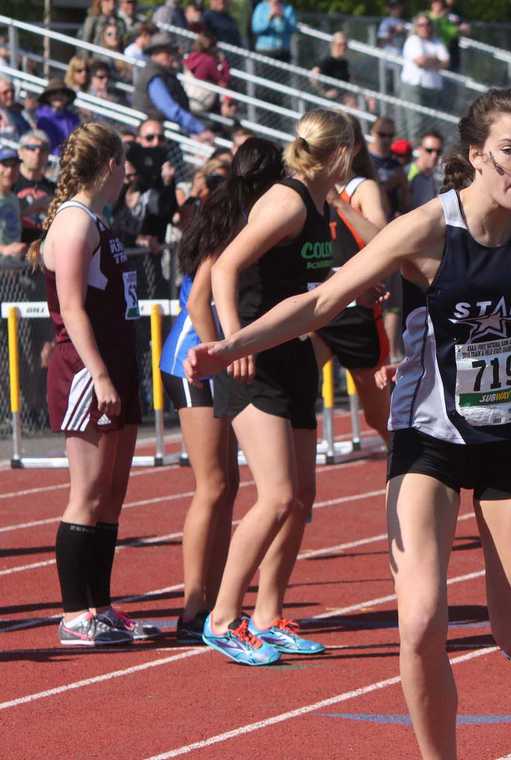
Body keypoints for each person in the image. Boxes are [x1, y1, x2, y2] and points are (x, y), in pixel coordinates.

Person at [186, 87, 511, 760]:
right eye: (510, 152)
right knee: (420, 619)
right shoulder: (425, 228)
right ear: (477, 156)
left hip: (510, 438)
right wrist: (232, 345)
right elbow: (323, 300)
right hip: (429, 439)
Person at [197, 109, 354, 666]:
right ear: (338, 154)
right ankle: (221, 619)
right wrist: (233, 342)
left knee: (301, 498)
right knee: (278, 494)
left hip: (294, 358)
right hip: (256, 362)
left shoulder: (318, 204)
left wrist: (350, 291)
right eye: (352, 150)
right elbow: (224, 269)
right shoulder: (286, 201)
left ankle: (268, 614)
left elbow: (301, 282)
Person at [27, 122, 159, 645]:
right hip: (87, 370)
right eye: (123, 163)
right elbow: (72, 309)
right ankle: (74, 613)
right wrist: (100, 373)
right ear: (109, 166)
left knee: (112, 494)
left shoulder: (95, 220)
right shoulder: (75, 223)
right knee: (86, 492)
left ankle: (100, 606)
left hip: (116, 364)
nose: (126, 173)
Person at [161, 138, 283, 642]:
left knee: (228, 485)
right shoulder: (235, 223)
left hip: (212, 356)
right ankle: (194, 605)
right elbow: (196, 302)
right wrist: (221, 352)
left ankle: (211, 599)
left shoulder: (250, 216)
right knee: (212, 485)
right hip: (194, 358)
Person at [309, 115, 392, 447]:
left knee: (378, 416)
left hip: (357, 310)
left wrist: (337, 203)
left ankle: (412, 468)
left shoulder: (362, 188)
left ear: (354, 147)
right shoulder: (309, 187)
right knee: (293, 383)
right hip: (318, 305)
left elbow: (383, 239)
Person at [133, 35, 215, 141]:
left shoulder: (162, 73)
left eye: (172, 52)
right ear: (155, 54)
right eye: (167, 52)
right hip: (157, 134)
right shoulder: (153, 75)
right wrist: (199, 129)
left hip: (167, 133)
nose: (172, 56)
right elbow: (169, 108)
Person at [400, 14, 449, 139]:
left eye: (427, 24)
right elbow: (420, 62)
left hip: (433, 88)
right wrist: (436, 59)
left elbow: (446, 63)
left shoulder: (437, 41)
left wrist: (429, 60)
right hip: (415, 86)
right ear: (416, 27)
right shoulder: (413, 40)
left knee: (431, 124)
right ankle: (414, 152)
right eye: (421, 25)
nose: (425, 27)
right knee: (416, 123)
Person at [13, 131, 55, 246]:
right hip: (12, 250)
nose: (38, 152)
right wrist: (33, 207)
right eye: (32, 148)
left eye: (44, 149)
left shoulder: (54, 189)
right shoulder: (8, 182)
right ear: (20, 152)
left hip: (42, 252)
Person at [183, 32, 231, 115]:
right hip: (200, 103)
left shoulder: (190, 56)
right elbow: (223, 80)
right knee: (223, 88)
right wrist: (224, 63)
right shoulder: (208, 61)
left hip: (186, 97)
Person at [36, 80, 82, 155]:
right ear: (48, 97)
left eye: (63, 93)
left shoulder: (73, 119)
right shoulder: (40, 116)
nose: (59, 96)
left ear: (67, 98)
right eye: (54, 93)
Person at [407, 129, 444, 209]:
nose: (434, 155)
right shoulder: (408, 173)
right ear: (419, 150)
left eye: (438, 152)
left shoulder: (432, 176)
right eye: (429, 150)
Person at [310, 32, 351, 101]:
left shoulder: (345, 63)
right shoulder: (326, 62)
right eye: (340, 44)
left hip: (342, 99)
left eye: (345, 45)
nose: (343, 47)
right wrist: (324, 93)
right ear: (332, 45)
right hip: (329, 101)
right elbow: (313, 76)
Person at [0, 148, 25, 258]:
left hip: (11, 270)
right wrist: (4, 249)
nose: (10, 170)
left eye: (14, 165)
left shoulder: (14, 198)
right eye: (5, 164)